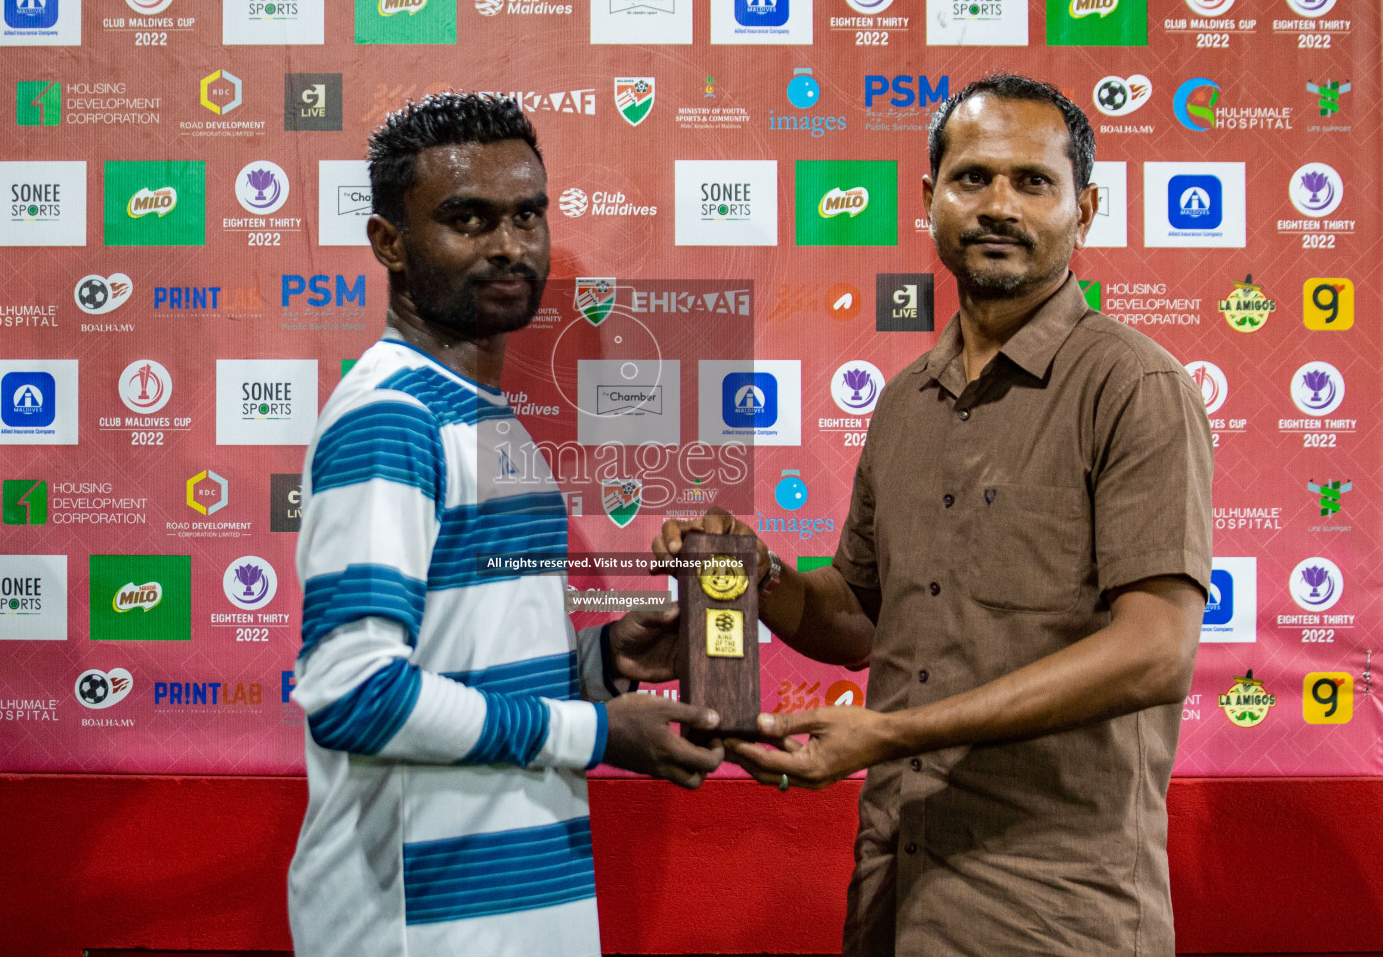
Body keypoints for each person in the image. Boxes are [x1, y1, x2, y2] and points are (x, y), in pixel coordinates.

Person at [653, 73, 1214, 956]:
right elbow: (862, 620)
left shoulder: (1133, 387)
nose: (999, 205)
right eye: (973, 178)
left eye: (1033, 182)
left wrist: (890, 734)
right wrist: (761, 577)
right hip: (895, 885)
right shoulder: (906, 401)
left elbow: (1156, 652)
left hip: (1053, 909)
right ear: (928, 200)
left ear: (1087, 208)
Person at [289, 92, 724, 957]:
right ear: (388, 245)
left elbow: (464, 658)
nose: (509, 246)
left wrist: (602, 665)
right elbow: (351, 693)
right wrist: (595, 733)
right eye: (467, 219)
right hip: (422, 923)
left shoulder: (485, 418)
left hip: (518, 907)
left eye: (529, 214)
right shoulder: (391, 417)